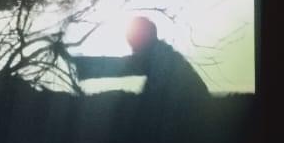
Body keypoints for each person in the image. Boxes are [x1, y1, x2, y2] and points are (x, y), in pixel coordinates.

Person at [66, 16, 211, 103]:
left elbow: (123, 67)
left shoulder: (159, 57)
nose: (132, 47)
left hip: (189, 110)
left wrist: (79, 65)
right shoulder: (161, 54)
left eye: (133, 41)